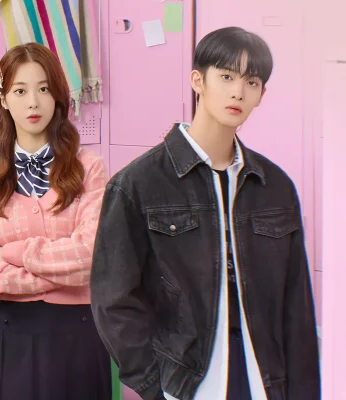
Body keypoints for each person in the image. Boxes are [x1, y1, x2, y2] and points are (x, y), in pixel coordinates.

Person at [90, 27, 320, 399]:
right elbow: (113, 301)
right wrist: (156, 387)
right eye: (226, 77)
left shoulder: (275, 187)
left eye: (251, 82)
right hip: (188, 387)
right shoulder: (137, 185)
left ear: (261, 95)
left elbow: (297, 307)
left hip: (265, 384)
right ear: (198, 80)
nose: (238, 92)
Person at [0, 42, 111, 399]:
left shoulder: (89, 169)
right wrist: (56, 279)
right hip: (9, 337)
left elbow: (91, 255)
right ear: (3, 99)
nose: (33, 102)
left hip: (78, 337)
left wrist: (10, 253)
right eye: (20, 91)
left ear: (57, 96)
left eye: (43, 89)